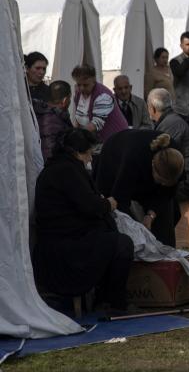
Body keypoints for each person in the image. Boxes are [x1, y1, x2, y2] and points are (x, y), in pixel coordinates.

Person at [33, 129, 135, 315]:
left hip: (63, 243)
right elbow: (90, 205)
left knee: (111, 239)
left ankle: (106, 298)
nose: (90, 159)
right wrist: (108, 204)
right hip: (66, 251)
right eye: (88, 153)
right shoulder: (67, 171)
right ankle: (112, 302)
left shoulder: (60, 168)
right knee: (122, 244)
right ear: (78, 152)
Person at [95, 130, 185, 247]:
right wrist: (135, 231)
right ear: (152, 166)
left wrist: (150, 215)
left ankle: (165, 255)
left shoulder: (176, 160)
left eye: (167, 183)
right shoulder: (133, 161)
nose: (163, 185)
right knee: (114, 217)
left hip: (143, 166)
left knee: (167, 216)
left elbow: (167, 193)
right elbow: (120, 201)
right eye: (161, 181)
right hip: (113, 156)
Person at [147, 88, 189, 209]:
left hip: (186, 182)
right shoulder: (172, 120)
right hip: (186, 177)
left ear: (152, 108)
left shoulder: (170, 124)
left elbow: (159, 156)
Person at [71, 64, 129, 144]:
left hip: (116, 139)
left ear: (94, 81)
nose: (81, 88)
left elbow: (96, 124)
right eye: (79, 84)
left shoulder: (103, 96)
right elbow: (78, 116)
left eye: (85, 85)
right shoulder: (78, 93)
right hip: (97, 141)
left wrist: (75, 135)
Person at [34, 80, 72, 162]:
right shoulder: (51, 120)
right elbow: (48, 152)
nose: (70, 101)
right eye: (70, 98)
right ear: (65, 100)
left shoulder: (47, 113)